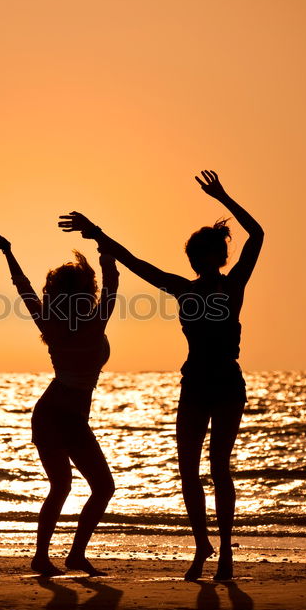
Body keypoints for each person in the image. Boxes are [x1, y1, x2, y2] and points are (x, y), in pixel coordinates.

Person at [59, 170, 263, 581]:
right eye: (192, 256)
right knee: (188, 469)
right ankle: (201, 546)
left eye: (201, 255)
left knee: (219, 467)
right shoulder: (182, 288)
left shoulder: (233, 285)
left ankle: (225, 555)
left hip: (226, 384)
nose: (195, 262)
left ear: (216, 258)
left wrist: (223, 196)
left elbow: (257, 235)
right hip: (195, 385)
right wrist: (97, 232)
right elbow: (135, 263)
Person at [0, 229, 119, 576]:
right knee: (93, 486)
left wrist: (8, 252)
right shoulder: (93, 322)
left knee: (74, 486)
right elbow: (113, 284)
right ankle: (53, 556)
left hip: (54, 414)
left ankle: (63, 556)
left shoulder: (53, 322)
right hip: (61, 416)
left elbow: (24, 289)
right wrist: (103, 246)